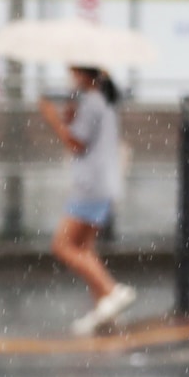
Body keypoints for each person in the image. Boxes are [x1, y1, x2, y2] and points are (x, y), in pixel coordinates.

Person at [39, 65, 136, 336]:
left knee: (63, 245)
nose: (70, 74)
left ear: (84, 73)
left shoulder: (92, 102)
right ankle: (104, 311)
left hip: (90, 186)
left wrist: (53, 119)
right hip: (102, 184)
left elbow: (76, 144)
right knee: (84, 247)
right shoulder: (100, 101)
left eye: (73, 70)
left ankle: (112, 291)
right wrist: (70, 116)